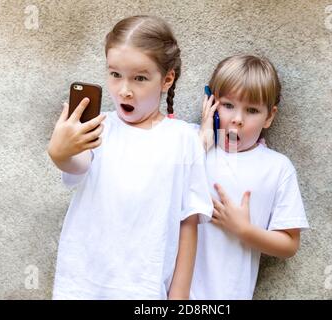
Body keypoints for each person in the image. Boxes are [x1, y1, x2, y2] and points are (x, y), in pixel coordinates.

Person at [47, 15, 212, 300]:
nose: (124, 89)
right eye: (115, 74)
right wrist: (60, 152)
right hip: (83, 285)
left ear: (167, 79)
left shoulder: (184, 139)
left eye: (139, 78)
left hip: (143, 289)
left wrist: (179, 295)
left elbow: (189, 220)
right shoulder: (98, 128)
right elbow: (76, 164)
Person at [191, 54, 309, 299]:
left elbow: (289, 245)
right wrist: (201, 142)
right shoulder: (189, 143)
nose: (237, 119)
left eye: (252, 110)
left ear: (269, 116)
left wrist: (244, 230)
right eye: (228, 105)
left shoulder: (277, 168)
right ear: (210, 103)